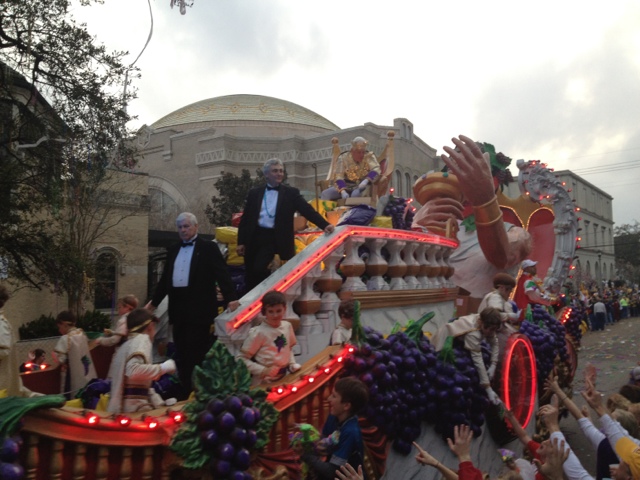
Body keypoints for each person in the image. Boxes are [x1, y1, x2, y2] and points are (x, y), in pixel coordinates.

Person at [412, 135, 532, 298]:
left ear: (493, 181)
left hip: (483, 313)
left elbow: (502, 257)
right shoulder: (430, 222)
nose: (459, 176)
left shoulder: (517, 234)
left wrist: (484, 199)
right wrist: (415, 229)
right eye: (453, 169)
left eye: (468, 169)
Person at [147, 212, 239, 399]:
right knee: (181, 351)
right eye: (180, 227)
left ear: (196, 227)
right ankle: (185, 391)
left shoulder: (208, 248)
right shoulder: (173, 249)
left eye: (186, 226)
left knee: (197, 352)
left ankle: (200, 392)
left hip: (200, 309)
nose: (183, 230)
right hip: (178, 309)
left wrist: (230, 297)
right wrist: (153, 303)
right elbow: (165, 280)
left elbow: (221, 273)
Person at [237, 158, 335, 291]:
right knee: (250, 272)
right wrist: (241, 242)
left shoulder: (291, 193)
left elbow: (307, 210)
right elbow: (246, 218)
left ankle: (265, 294)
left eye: (281, 171)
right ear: (266, 174)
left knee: (259, 269)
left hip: (273, 237)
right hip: (254, 236)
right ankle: (251, 300)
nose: (279, 174)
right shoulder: (255, 193)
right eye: (275, 171)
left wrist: (325, 225)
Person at [297, 376, 368, 480]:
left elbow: (332, 472)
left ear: (346, 406)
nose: (329, 399)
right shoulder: (333, 416)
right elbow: (323, 441)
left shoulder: (350, 432)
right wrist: (309, 444)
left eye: (334, 396)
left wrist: (306, 456)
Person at [107, 309, 176, 413]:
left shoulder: (125, 346)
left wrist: (159, 403)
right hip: (136, 409)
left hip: (124, 409)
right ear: (150, 326)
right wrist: (164, 367)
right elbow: (133, 371)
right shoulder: (142, 339)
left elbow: (142, 387)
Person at [431, 307, 502, 405]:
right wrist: (488, 388)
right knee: (441, 370)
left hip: (459, 342)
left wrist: (493, 364)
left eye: (494, 330)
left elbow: (494, 343)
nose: (492, 332)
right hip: (444, 341)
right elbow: (478, 360)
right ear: (481, 323)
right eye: (490, 329)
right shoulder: (473, 334)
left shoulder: (485, 322)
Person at [238, 290, 300, 385]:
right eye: (271, 312)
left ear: (284, 309)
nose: (275, 315)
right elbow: (240, 359)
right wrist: (263, 370)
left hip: (285, 378)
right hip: (263, 381)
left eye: (278, 311)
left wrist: (292, 364)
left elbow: (288, 348)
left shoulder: (287, 326)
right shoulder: (258, 332)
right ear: (264, 312)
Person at [320, 136, 381, 201]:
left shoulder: (369, 156)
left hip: (361, 186)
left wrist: (366, 181)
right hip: (346, 185)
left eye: (363, 152)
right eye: (359, 152)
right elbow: (338, 176)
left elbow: (376, 169)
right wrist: (342, 191)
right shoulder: (343, 157)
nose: (361, 155)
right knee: (325, 194)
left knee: (355, 196)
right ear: (352, 151)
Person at [52, 310, 97, 398]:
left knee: (73, 395)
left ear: (64, 324)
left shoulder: (65, 338)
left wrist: (55, 356)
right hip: (87, 371)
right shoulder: (81, 334)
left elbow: (61, 359)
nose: (59, 330)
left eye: (59, 327)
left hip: (72, 374)